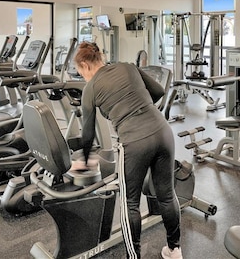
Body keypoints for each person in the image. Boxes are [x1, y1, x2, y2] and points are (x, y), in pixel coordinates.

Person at [74, 41, 182, 259]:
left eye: (80, 72)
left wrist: (85, 161)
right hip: (163, 131)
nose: (82, 76)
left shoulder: (90, 88)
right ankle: (174, 250)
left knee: (129, 202)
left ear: (85, 65)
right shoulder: (127, 66)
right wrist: (139, 106)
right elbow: (159, 91)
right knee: (167, 195)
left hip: (134, 141)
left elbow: (87, 134)